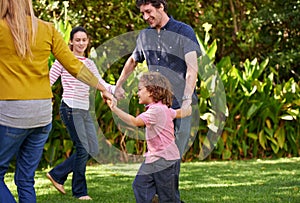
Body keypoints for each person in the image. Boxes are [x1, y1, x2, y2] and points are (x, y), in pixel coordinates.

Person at [0, 1, 113, 203]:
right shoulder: (47, 29)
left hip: (12, 112)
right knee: (25, 179)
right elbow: (74, 65)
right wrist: (104, 89)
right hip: (42, 114)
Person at [114, 0, 201, 157]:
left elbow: (192, 68)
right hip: (157, 106)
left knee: (175, 154)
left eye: (148, 11)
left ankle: (166, 181)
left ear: (161, 6)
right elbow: (133, 61)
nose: (145, 17)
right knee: (157, 153)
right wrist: (118, 85)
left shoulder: (184, 31)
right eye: (142, 13)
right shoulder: (145, 36)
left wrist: (187, 99)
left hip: (180, 103)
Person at [46, 26, 114, 200]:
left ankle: (57, 174)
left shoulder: (89, 63)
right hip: (70, 107)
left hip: (84, 109)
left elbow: (100, 82)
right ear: (71, 42)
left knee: (93, 147)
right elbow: (49, 81)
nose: (81, 43)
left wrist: (115, 89)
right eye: (77, 40)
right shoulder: (63, 60)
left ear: (88, 41)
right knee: (83, 148)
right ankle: (80, 191)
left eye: (84, 40)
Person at [107, 72, 191, 203]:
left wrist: (115, 109)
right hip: (153, 158)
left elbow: (135, 122)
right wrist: (187, 109)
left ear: (151, 91)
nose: (138, 93)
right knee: (140, 185)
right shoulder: (164, 109)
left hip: (165, 160)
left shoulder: (156, 111)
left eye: (140, 89)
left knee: (168, 198)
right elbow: (179, 113)